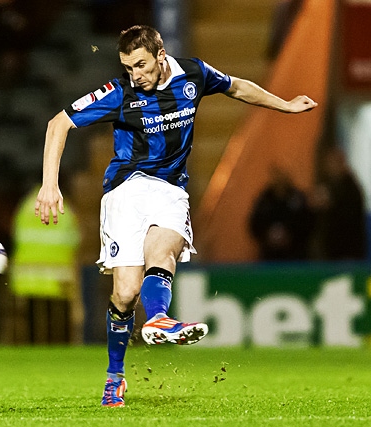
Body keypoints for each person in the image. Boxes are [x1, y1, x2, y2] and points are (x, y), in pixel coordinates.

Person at [34, 25, 317, 407]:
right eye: (128, 66)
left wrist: (284, 104)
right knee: (125, 293)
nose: (135, 74)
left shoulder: (194, 74)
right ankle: (115, 374)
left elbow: (237, 87)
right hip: (125, 190)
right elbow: (59, 123)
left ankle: (160, 319)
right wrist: (49, 185)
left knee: (163, 252)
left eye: (141, 65)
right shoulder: (120, 93)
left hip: (170, 190)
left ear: (161, 55)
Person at [311, 146, 367, 260]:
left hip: (348, 249)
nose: (329, 167)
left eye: (332, 163)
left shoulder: (351, 188)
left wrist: (330, 203)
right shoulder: (329, 184)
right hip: (331, 249)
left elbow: (349, 214)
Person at [249, 165, 314, 261]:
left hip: (295, 256)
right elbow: (254, 224)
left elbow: (308, 223)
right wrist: (268, 235)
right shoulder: (264, 199)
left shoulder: (298, 198)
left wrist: (290, 235)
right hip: (269, 257)